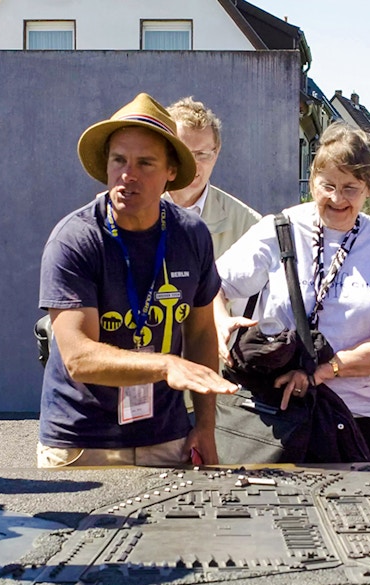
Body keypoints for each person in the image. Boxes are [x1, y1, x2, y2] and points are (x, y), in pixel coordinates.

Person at [37, 93, 237, 468]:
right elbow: (79, 357)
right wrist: (166, 366)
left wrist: (206, 426)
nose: (128, 175)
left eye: (145, 163)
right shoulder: (75, 238)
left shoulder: (191, 234)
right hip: (82, 442)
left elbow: (200, 333)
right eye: (119, 161)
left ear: (171, 172)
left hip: (166, 436)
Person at [216, 122, 370, 461]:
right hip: (275, 415)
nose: (337, 198)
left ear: (369, 188)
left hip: (358, 414)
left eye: (351, 188)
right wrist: (219, 321)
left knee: (360, 513)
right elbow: (212, 284)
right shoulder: (278, 228)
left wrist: (326, 371)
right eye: (328, 185)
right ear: (312, 181)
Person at [164, 97, 261, 259]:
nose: (192, 165)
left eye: (202, 154)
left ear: (216, 153)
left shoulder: (248, 226)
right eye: (183, 154)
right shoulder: (132, 210)